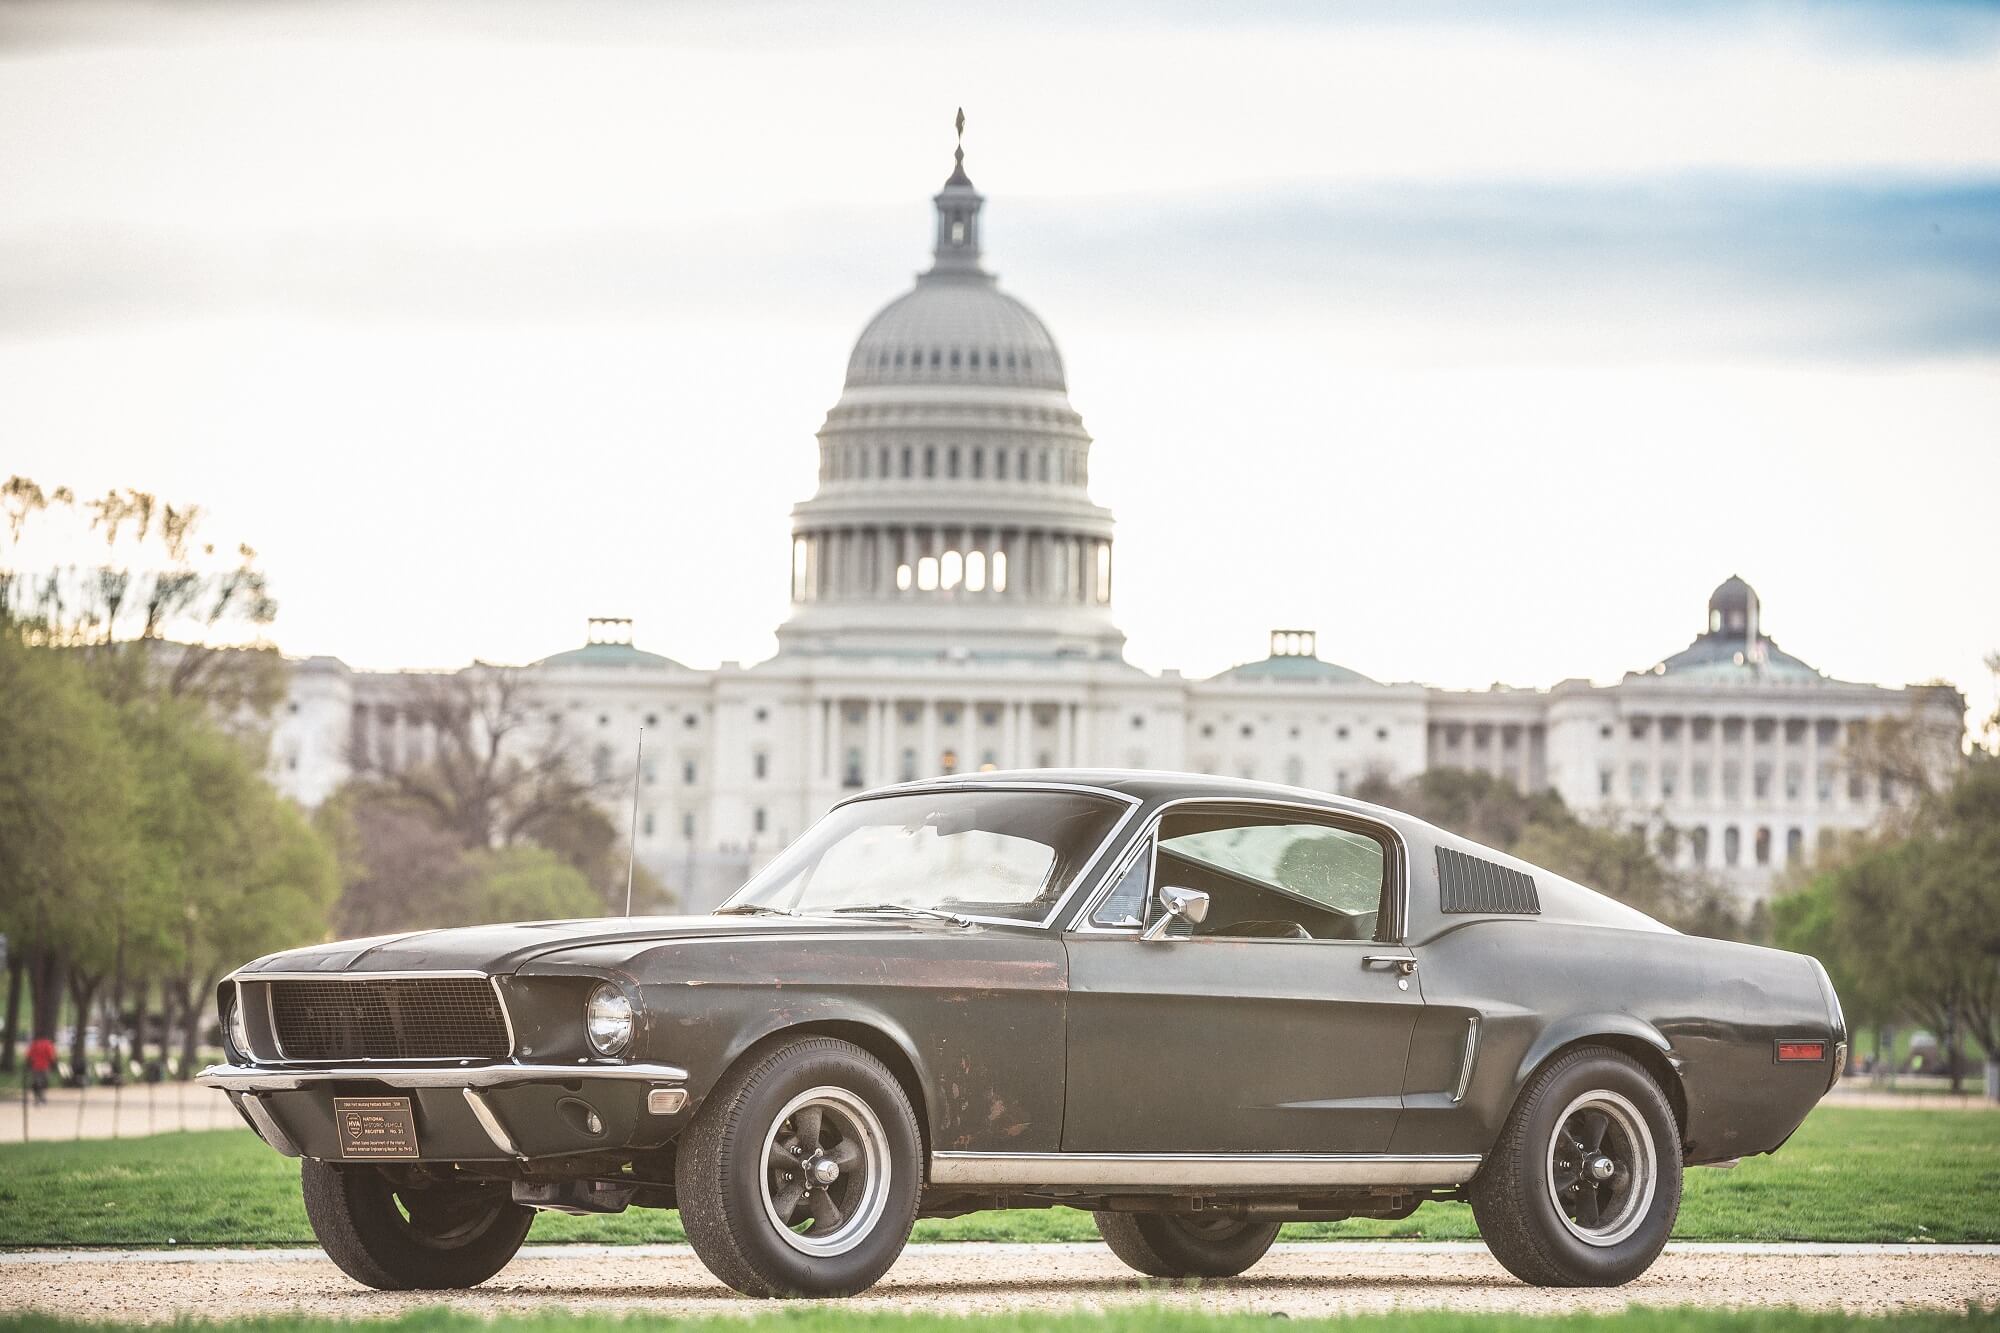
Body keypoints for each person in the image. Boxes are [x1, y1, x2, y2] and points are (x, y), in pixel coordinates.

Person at [25, 1035, 56, 1106]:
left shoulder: (34, 1044)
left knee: (36, 1082)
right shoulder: (48, 1044)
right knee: (44, 1082)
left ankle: (37, 1097)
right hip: (45, 1066)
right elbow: (51, 1055)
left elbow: (28, 1055)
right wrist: (53, 1063)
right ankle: (42, 1096)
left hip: (35, 1066)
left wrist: (28, 1063)